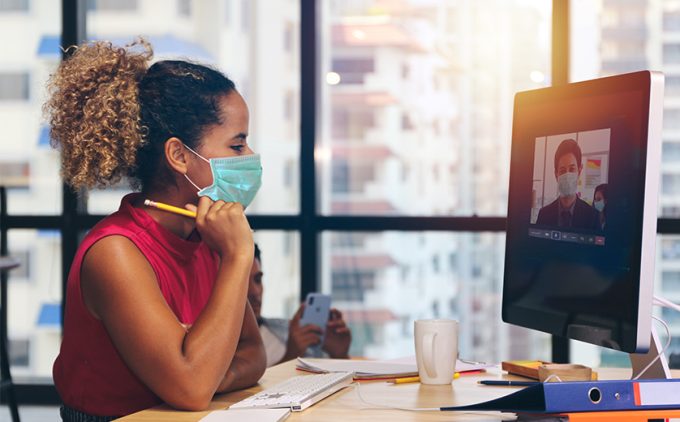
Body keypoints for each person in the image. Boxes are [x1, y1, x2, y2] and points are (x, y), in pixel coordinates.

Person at [45, 39, 266, 421]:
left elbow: (253, 355)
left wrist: (205, 371)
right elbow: (192, 388)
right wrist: (237, 256)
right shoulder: (115, 252)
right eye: (237, 144)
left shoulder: (206, 236)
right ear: (179, 156)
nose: (250, 158)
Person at [248, 244, 351, 367]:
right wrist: (291, 355)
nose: (255, 292)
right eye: (244, 282)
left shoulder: (290, 331)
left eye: (258, 280)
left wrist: (339, 355)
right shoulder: (225, 347)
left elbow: (326, 381)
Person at [536, 139, 598, 229]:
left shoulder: (592, 217)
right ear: (556, 174)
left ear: (579, 171)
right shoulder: (543, 214)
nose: (567, 175)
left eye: (572, 169)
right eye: (562, 170)